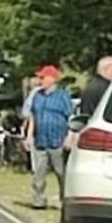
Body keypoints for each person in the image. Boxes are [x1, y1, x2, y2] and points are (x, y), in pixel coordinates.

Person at [26, 64, 74, 209]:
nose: (39, 80)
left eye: (42, 77)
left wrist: (70, 137)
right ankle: (38, 200)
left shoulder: (62, 96)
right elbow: (32, 117)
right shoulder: (37, 96)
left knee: (61, 172)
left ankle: (64, 200)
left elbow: (71, 117)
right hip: (41, 140)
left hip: (58, 139)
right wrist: (29, 136)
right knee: (39, 173)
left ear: (52, 79)